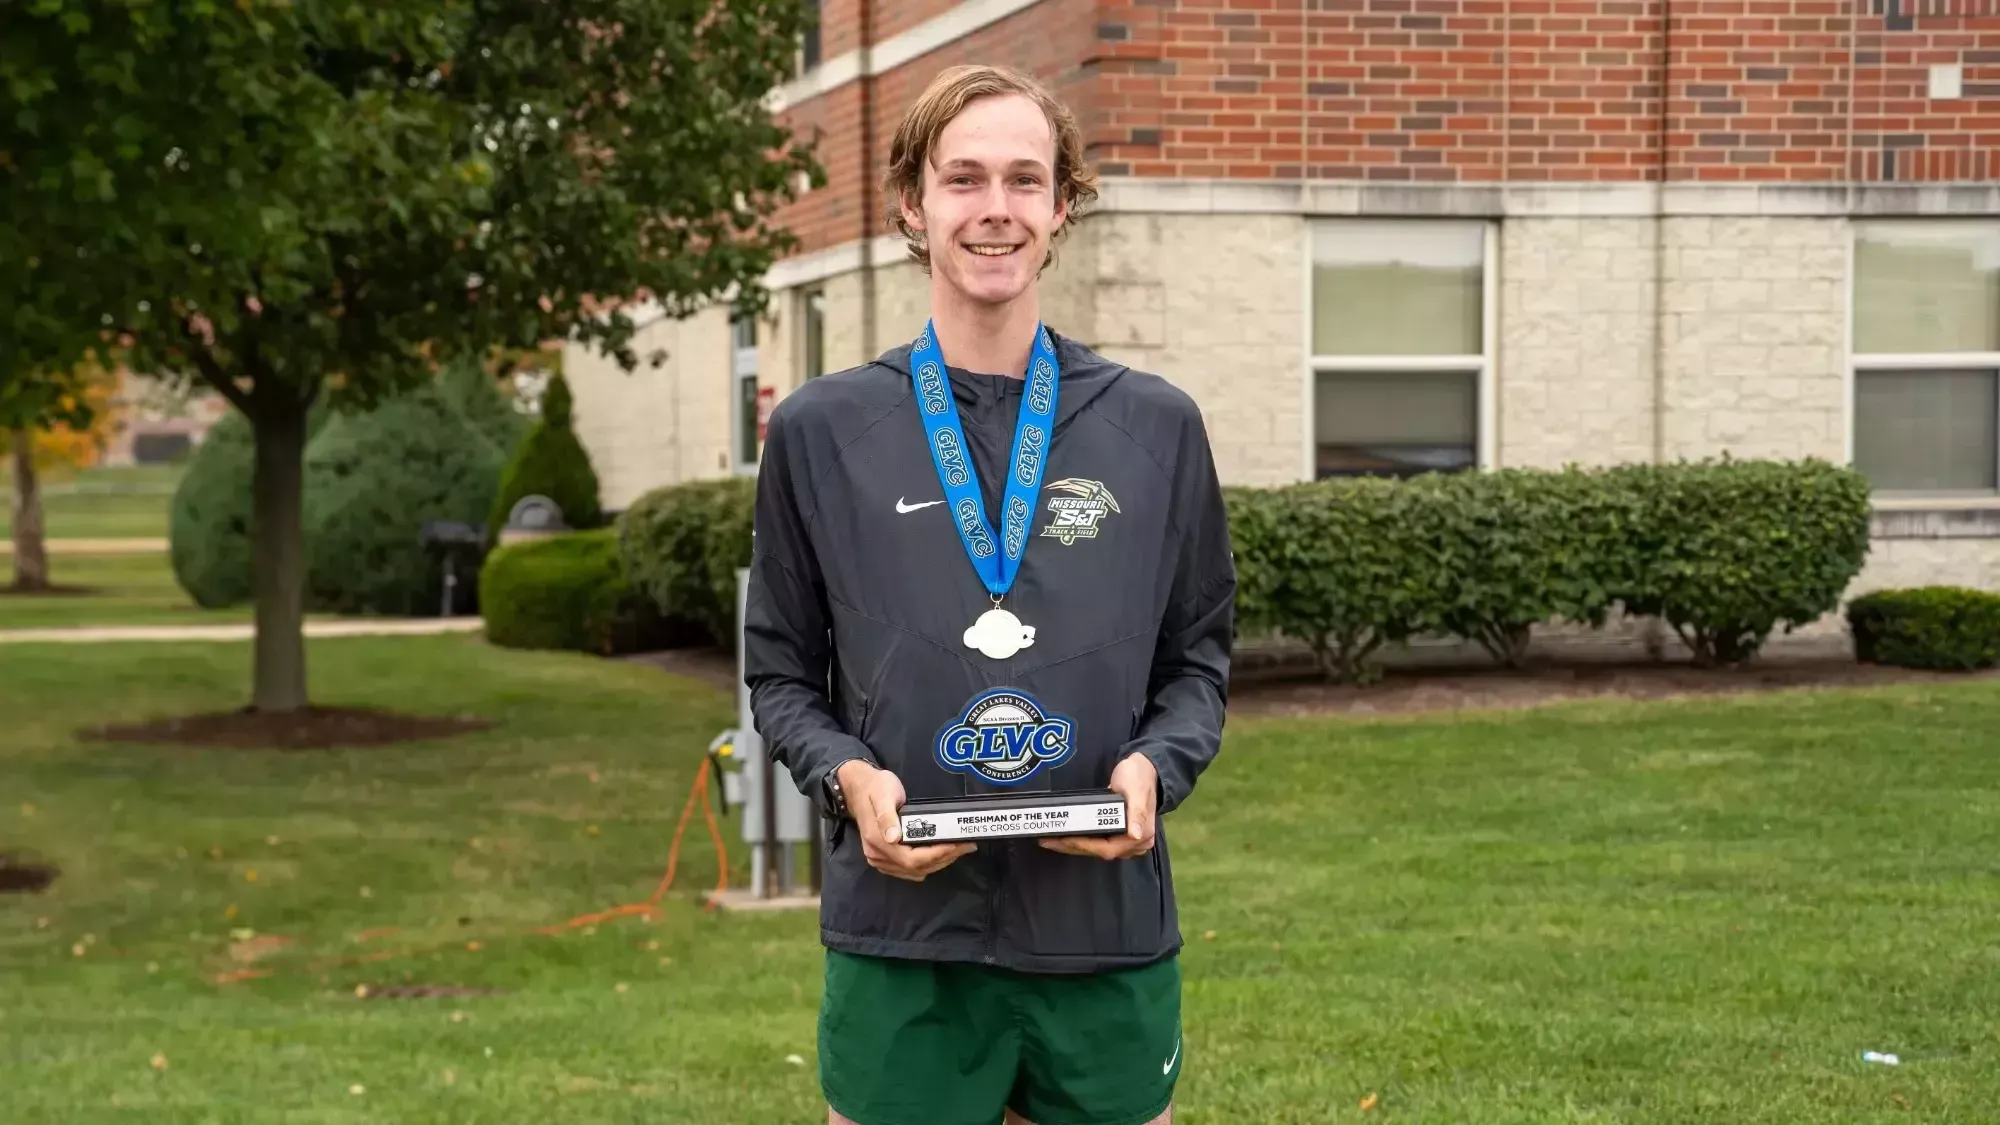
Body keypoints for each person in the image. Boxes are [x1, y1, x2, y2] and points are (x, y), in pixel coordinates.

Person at [743, 62, 1236, 1125]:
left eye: (1025, 178)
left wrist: (1156, 768)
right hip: (900, 939)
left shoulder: (1155, 427)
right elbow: (779, 676)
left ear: (1063, 206)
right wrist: (845, 781)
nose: (995, 209)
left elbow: (1196, 663)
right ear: (910, 203)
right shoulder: (822, 432)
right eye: (962, 178)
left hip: (1099, 930)